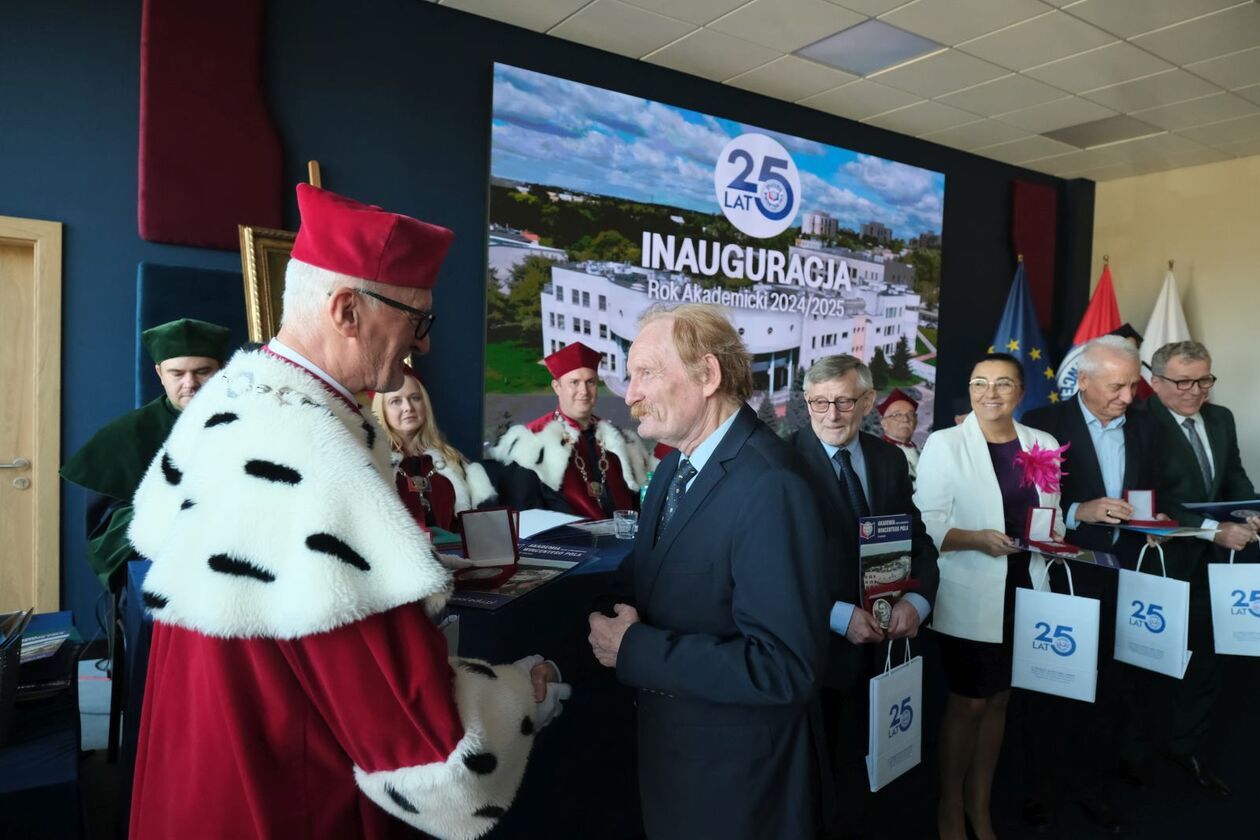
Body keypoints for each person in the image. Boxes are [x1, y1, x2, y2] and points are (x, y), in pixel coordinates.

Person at [128, 184, 568, 839]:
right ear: (345, 309)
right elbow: (418, 738)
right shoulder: (311, 456)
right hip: (287, 795)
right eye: (416, 318)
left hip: (201, 778)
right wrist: (517, 693)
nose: (420, 343)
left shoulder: (234, 408)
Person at [586, 304, 831, 840]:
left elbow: (784, 667)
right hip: (678, 768)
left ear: (709, 375)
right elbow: (650, 580)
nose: (628, 395)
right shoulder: (675, 464)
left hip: (737, 790)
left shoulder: (771, 485)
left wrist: (635, 649)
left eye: (645, 373)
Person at [912, 353, 1066, 840]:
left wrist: (1058, 539)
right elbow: (928, 523)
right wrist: (977, 538)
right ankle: (950, 807)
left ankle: (981, 805)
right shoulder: (946, 443)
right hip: (971, 590)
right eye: (980, 383)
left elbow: (1051, 515)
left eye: (1003, 384)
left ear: (1022, 393)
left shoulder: (1040, 443)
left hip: (1027, 588)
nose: (990, 393)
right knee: (968, 704)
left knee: (1000, 699)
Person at [790, 355, 938, 837]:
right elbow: (772, 570)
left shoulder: (888, 459)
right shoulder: (782, 465)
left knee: (884, 787)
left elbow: (919, 543)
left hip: (890, 653)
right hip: (817, 660)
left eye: (844, 401)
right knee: (824, 790)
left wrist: (917, 602)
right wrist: (835, 615)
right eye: (819, 402)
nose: (831, 414)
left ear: (868, 401)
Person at [1020, 335, 1162, 832]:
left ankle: (1091, 786)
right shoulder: (1040, 425)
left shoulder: (1146, 425)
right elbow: (1021, 507)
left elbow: (1152, 488)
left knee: (1111, 686)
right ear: (1082, 381)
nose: (1128, 397)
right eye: (1117, 386)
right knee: (1052, 686)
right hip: (1063, 576)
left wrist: (1153, 519)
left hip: (1126, 574)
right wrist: (1079, 511)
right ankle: (1042, 787)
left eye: (1132, 386)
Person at [1139, 340, 1258, 797]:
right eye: (1183, 381)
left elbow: (1233, 477)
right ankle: (1141, 753)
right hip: (1161, 562)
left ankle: (1187, 748)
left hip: (1216, 567)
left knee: (1207, 659)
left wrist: (1249, 510)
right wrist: (1212, 528)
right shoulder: (1139, 422)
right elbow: (1148, 500)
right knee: (1155, 660)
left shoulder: (1221, 418)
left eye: (1204, 379)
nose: (1195, 390)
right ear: (1156, 381)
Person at [60, 317, 231, 589]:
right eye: (177, 373)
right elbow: (107, 539)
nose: (190, 383)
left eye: (202, 371)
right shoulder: (124, 435)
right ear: (159, 374)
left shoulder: (248, 421)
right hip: (161, 570)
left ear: (221, 371)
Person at [489, 341, 651, 519]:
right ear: (556, 387)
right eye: (574, 382)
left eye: (590, 382)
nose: (584, 391)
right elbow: (525, 513)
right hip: (564, 543)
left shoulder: (619, 439)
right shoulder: (532, 441)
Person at [372, 371, 495, 533]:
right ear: (383, 411)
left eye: (415, 398)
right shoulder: (373, 462)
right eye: (396, 401)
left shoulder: (453, 460)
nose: (408, 407)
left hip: (456, 555)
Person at [877, 387, 921, 484]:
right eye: (897, 415)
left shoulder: (923, 451)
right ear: (884, 423)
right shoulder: (877, 456)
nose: (905, 419)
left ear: (916, 422)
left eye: (910, 415)